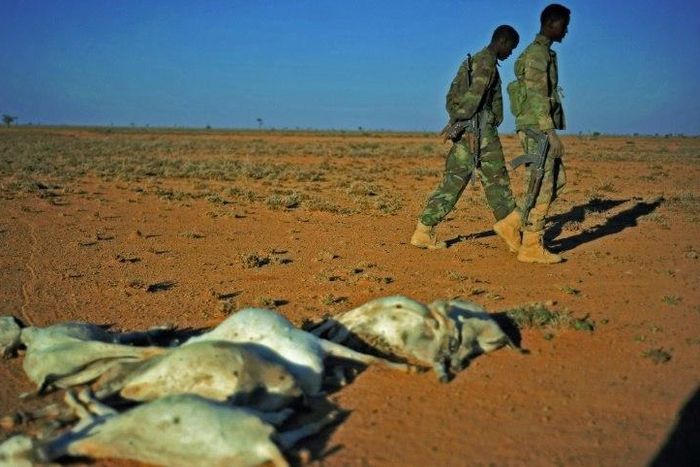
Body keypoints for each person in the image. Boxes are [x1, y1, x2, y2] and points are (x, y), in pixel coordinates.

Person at [410, 25, 522, 254]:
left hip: (469, 129)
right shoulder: (486, 63)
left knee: (455, 179)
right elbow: (473, 99)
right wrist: (462, 120)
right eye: (511, 48)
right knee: (496, 179)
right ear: (503, 41)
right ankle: (511, 226)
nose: (510, 53)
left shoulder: (476, 60)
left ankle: (424, 229)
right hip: (479, 131)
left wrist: (458, 123)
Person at [508, 3, 570, 263]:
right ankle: (531, 245)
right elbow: (536, 95)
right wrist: (550, 132)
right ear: (551, 24)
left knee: (554, 180)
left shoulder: (544, 52)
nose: (566, 32)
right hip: (537, 127)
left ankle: (517, 226)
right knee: (542, 183)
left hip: (536, 125)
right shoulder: (537, 54)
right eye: (564, 27)